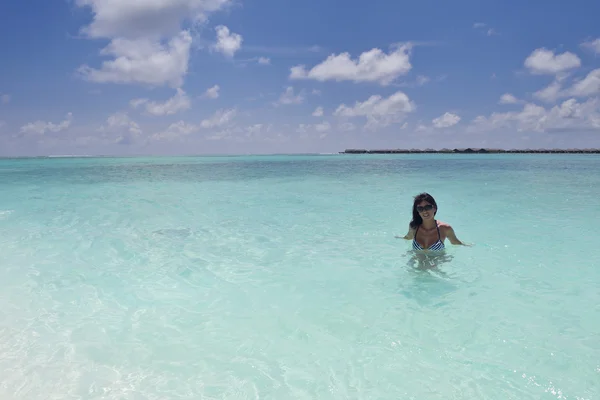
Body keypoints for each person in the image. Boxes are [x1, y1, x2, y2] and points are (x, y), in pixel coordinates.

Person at [396, 192, 470, 251]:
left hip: (436, 268)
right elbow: (408, 237)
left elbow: (456, 242)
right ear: (417, 211)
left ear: (434, 208)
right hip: (415, 267)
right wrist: (397, 237)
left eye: (427, 207)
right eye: (420, 209)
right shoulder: (414, 226)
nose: (424, 211)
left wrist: (469, 245)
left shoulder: (445, 229)